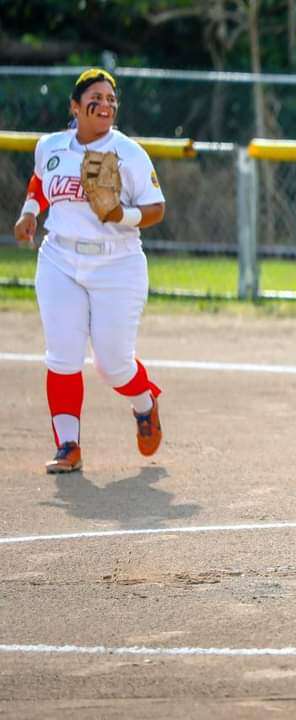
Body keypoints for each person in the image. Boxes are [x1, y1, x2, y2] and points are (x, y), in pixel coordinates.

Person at [12, 68, 166, 473]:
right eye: (96, 98)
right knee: (62, 356)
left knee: (113, 365)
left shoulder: (129, 153)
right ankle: (68, 446)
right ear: (75, 107)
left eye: (111, 99)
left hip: (117, 263)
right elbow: (40, 181)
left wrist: (123, 214)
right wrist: (30, 212)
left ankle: (144, 402)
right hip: (59, 259)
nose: (106, 104)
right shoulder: (51, 146)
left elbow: (157, 209)